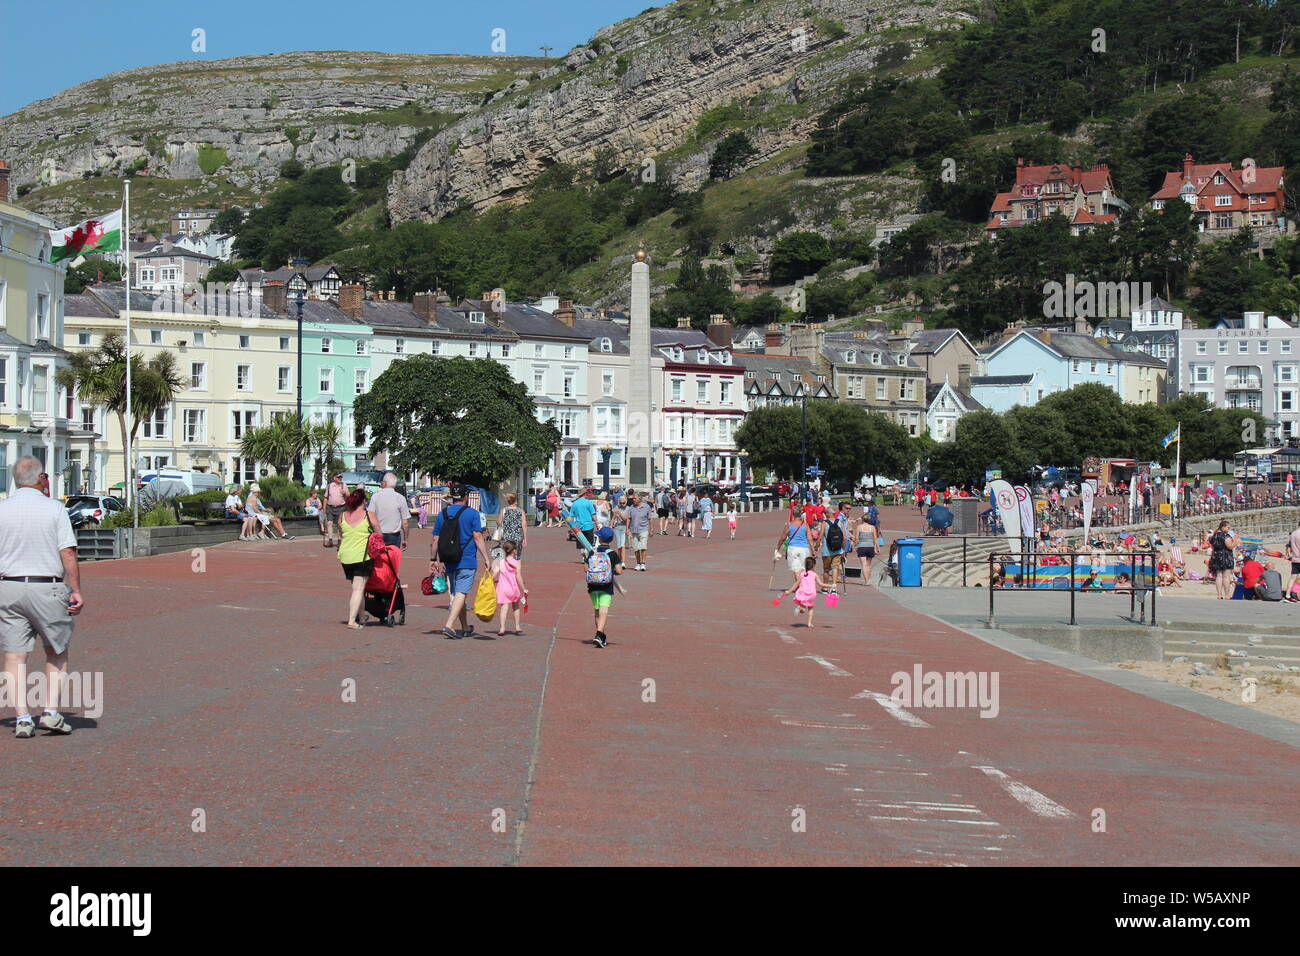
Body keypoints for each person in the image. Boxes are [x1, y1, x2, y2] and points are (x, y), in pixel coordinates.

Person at [0, 455, 83, 738]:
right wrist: (76, 590)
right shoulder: (54, 508)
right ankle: (50, 712)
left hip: (9, 586)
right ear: (40, 479)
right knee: (56, 649)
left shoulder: (2, 509)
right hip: (46, 586)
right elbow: (68, 552)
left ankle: (22, 718)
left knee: (14, 655)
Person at [430, 485, 492, 640]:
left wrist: (433, 559)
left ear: (452, 497)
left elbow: (435, 539)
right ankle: (449, 625)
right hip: (467, 559)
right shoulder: (472, 514)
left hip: (449, 559)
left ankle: (465, 627)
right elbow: (477, 536)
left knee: (458, 593)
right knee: (461, 592)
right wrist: (486, 557)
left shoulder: (442, 514)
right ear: (466, 497)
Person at [587, 526, 623, 648]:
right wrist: (611, 571)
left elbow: (585, 568)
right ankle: (599, 634)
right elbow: (619, 570)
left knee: (597, 610)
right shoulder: (612, 554)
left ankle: (601, 636)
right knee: (604, 609)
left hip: (592, 585)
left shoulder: (593, 551)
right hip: (606, 585)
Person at [492, 540, 528, 635]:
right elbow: (518, 577)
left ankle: (502, 628)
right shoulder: (517, 563)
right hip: (513, 588)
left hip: (503, 589)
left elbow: (494, 574)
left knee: (504, 608)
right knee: (516, 607)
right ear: (514, 551)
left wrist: (489, 581)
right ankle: (517, 626)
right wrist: (523, 588)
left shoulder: (500, 562)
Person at [365, 473, 409, 549]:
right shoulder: (400, 498)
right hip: (394, 535)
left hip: (378, 533)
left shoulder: (375, 496)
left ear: (384, 483)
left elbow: (370, 514)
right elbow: (405, 523)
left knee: (379, 559)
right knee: (393, 559)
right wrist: (405, 538)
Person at [782, 556, 825, 629]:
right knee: (811, 608)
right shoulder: (814, 575)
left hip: (803, 593)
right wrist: (831, 585)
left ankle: (800, 607)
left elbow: (796, 584)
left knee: (803, 609)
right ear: (814, 565)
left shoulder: (802, 574)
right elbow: (821, 584)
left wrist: (789, 591)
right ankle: (809, 623)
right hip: (812, 594)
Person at [776, 511, 813, 590]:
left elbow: (782, 538)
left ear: (793, 514)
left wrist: (777, 548)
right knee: (804, 568)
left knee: (796, 569)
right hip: (804, 548)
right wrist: (813, 550)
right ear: (801, 515)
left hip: (792, 548)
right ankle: (803, 586)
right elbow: (810, 538)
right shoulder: (805, 525)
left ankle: (799, 586)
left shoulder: (789, 525)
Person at [821, 501, 851, 592]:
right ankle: (834, 587)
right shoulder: (840, 522)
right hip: (837, 550)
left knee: (826, 570)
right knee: (835, 568)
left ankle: (825, 587)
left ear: (827, 514)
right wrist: (842, 548)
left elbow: (820, 535)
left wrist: (817, 545)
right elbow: (845, 538)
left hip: (827, 550)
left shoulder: (825, 523)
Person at [623, 490, 653, 572]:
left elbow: (650, 519)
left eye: (635, 499)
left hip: (643, 529)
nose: (633, 500)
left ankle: (643, 563)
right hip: (634, 530)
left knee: (643, 547)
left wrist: (651, 529)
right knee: (636, 548)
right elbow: (629, 519)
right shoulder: (631, 508)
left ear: (640, 499)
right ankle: (638, 563)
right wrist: (627, 529)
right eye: (633, 499)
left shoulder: (646, 507)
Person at [1208, 519, 1237, 600]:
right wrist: (1236, 540)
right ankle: (1227, 595)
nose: (1229, 530)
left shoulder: (1214, 536)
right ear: (1223, 527)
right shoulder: (1225, 536)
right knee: (1226, 576)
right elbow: (1230, 546)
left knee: (1219, 576)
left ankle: (1219, 594)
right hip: (1225, 556)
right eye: (1228, 528)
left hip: (1216, 556)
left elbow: (1213, 547)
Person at [567, 489, 597, 562]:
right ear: (585, 494)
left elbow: (571, 516)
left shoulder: (575, 503)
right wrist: (597, 523)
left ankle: (583, 557)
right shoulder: (589, 503)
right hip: (588, 525)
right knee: (589, 542)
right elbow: (593, 514)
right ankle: (588, 555)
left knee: (581, 543)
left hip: (578, 526)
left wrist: (570, 526)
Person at [497, 492, 527, 560]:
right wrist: (525, 538)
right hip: (517, 536)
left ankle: (507, 569)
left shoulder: (503, 510)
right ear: (516, 500)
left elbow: (499, 522)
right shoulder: (520, 511)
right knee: (517, 556)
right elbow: (524, 525)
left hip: (506, 536)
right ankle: (515, 568)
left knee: (506, 554)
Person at [855, 508, 878, 586]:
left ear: (862, 519)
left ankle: (866, 581)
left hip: (862, 547)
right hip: (870, 547)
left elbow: (857, 538)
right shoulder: (872, 527)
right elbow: (875, 538)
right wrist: (877, 547)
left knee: (864, 564)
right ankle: (869, 579)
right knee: (869, 564)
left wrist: (856, 546)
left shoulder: (859, 527)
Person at [324, 473, 348, 548]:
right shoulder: (329, 486)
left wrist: (345, 493)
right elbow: (325, 497)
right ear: (334, 478)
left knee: (339, 524)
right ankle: (330, 540)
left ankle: (339, 540)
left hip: (341, 507)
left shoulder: (344, 485)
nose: (340, 478)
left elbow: (348, 496)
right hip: (331, 507)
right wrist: (324, 508)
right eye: (338, 477)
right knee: (329, 523)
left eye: (341, 477)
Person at [1287, 519, 1300, 602]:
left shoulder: (1293, 534)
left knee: (1292, 578)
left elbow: (1290, 546)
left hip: (1295, 559)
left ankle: (1287, 595)